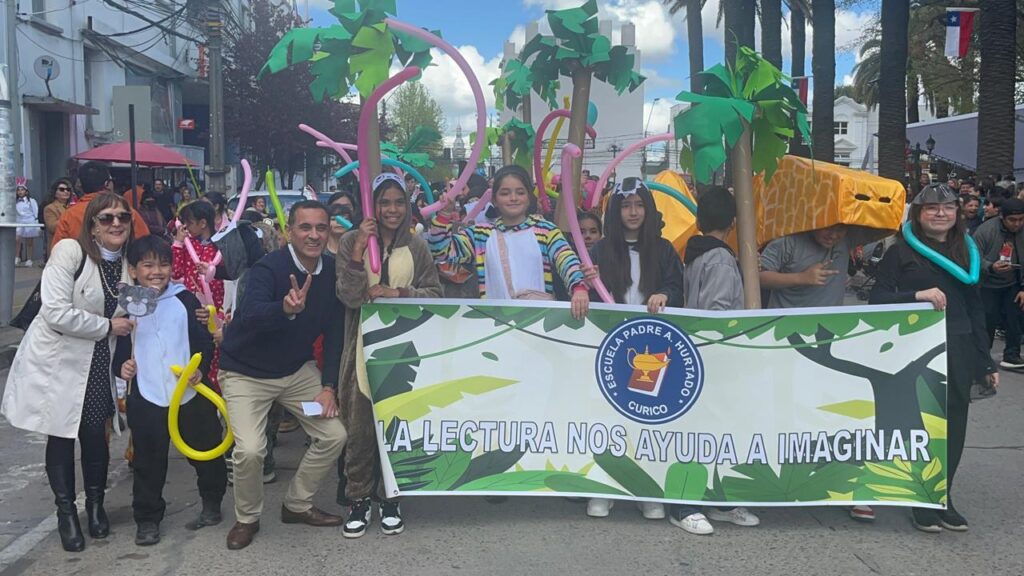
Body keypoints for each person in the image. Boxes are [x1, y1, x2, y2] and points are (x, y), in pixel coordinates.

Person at [1, 193, 136, 552]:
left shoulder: (129, 262)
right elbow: (55, 312)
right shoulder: (69, 253)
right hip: (59, 360)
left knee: (95, 435)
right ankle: (66, 513)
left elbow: (141, 305)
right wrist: (107, 326)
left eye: (122, 217)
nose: (116, 223)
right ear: (92, 225)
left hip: (99, 361)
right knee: (61, 435)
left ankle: (96, 505)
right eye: (106, 218)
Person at [218, 200, 348, 550]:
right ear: (290, 231)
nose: (314, 235)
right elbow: (249, 315)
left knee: (334, 435)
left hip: (295, 372)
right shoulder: (268, 268)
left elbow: (335, 335)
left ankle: (297, 504)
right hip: (245, 373)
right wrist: (285, 309)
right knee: (250, 450)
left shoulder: (332, 271)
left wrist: (329, 386)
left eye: (321, 227)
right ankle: (247, 518)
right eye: (305, 227)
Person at [869, 183, 997, 532]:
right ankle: (920, 497)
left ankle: (943, 496)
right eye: (932, 208)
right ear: (918, 213)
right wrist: (915, 295)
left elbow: (975, 308)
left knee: (954, 424)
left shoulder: (966, 250)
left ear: (957, 213)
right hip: (915, 348)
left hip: (958, 344)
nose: (941, 213)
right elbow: (877, 298)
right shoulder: (900, 252)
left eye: (948, 207)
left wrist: (985, 360)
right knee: (921, 423)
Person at [336, 174, 443, 538]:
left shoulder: (416, 246)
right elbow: (349, 296)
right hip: (361, 347)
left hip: (403, 348)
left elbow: (435, 294)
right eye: (384, 202)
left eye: (399, 202)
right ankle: (358, 499)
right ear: (372, 205)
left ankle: (391, 498)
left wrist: (398, 293)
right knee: (360, 428)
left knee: (398, 425)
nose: (392, 209)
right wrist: (357, 252)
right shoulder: (351, 241)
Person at [112, 235, 226, 546]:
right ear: (133, 270)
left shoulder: (186, 300)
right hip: (147, 394)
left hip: (190, 392)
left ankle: (212, 501)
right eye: (148, 265)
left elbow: (203, 341)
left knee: (206, 450)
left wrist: (200, 367)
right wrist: (122, 367)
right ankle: (148, 519)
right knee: (148, 462)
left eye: (163, 264)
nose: (156, 272)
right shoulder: (126, 307)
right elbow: (117, 351)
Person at [585, 178, 683, 521]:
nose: (633, 212)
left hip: (651, 349)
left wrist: (665, 294)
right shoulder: (599, 251)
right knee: (606, 418)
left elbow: (676, 287)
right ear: (615, 211)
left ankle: (647, 491)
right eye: (626, 206)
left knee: (646, 419)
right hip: (609, 346)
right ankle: (602, 487)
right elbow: (586, 294)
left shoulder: (665, 249)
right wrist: (585, 283)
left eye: (639, 205)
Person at [668, 186, 761, 534]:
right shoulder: (720, 259)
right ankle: (685, 503)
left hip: (698, 352)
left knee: (714, 429)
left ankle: (716, 499)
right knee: (708, 429)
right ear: (734, 222)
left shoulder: (695, 253)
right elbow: (717, 311)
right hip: (716, 358)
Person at [429, 164, 590, 320]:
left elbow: (566, 259)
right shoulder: (480, 235)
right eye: (505, 193)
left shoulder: (546, 230)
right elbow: (442, 252)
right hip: (496, 324)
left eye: (520, 192)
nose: (513, 198)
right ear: (494, 200)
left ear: (529, 197)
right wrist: (444, 215)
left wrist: (579, 287)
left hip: (538, 322)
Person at [173, 201, 226, 390]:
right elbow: (176, 272)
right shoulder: (189, 245)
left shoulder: (221, 246)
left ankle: (218, 390)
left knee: (217, 347)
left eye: (189, 222)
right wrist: (178, 243)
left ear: (203, 223)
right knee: (198, 345)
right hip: (194, 308)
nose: (186, 227)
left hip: (217, 308)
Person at [970, 197, 1024, 371]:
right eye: (1012, 220)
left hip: (1014, 283)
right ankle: (982, 359)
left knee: (1014, 319)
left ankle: (1012, 355)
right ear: (1002, 217)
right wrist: (990, 267)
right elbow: (973, 256)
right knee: (987, 321)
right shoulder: (986, 230)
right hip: (988, 284)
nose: (1017, 224)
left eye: (1021, 219)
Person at [51, 162, 151, 247]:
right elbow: (145, 245)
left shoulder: (69, 215)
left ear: (80, 184)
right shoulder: (125, 211)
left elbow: (57, 252)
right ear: (107, 184)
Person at [43, 179, 74, 257]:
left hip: (73, 246)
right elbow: (52, 227)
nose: (66, 191)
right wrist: (70, 216)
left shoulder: (73, 207)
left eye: (68, 189)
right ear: (55, 193)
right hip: (58, 247)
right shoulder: (50, 208)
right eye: (62, 189)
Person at [15, 183, 40, 266]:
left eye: (22, 190)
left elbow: (35, 211)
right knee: (17, 239)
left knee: (29, 241)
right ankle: (17, 257)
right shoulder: (15, 201)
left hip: (30, 222)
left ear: (26, 191)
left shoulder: (31, 201)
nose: (20, 191)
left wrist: (36, 223)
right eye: (18, 190)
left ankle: (29, 259)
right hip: (19, 222)